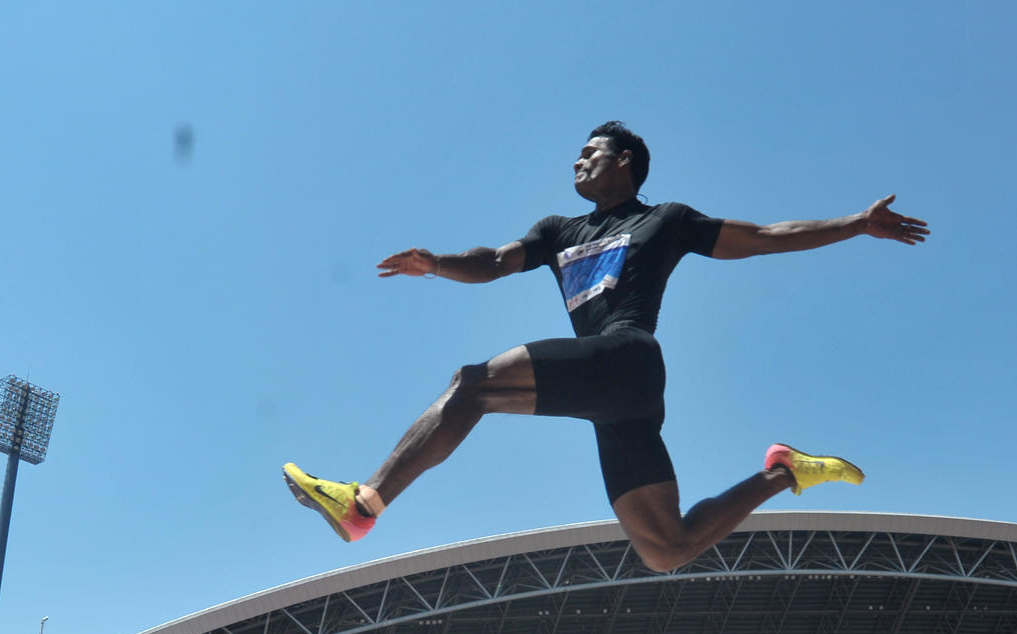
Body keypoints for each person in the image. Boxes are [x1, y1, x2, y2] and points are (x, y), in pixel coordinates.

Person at [284, 122, 929, 571]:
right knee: (666, 548)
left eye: (589, 152)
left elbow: (762, 235)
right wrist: (439, 263)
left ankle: (363, 503)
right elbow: (498, 260)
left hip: (628, 357)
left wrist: (855, 224)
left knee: (473, 384)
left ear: (623, 161)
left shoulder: (665, 219)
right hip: (612, 402)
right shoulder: (558, 230)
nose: (576, 162)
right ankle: (786, 470)